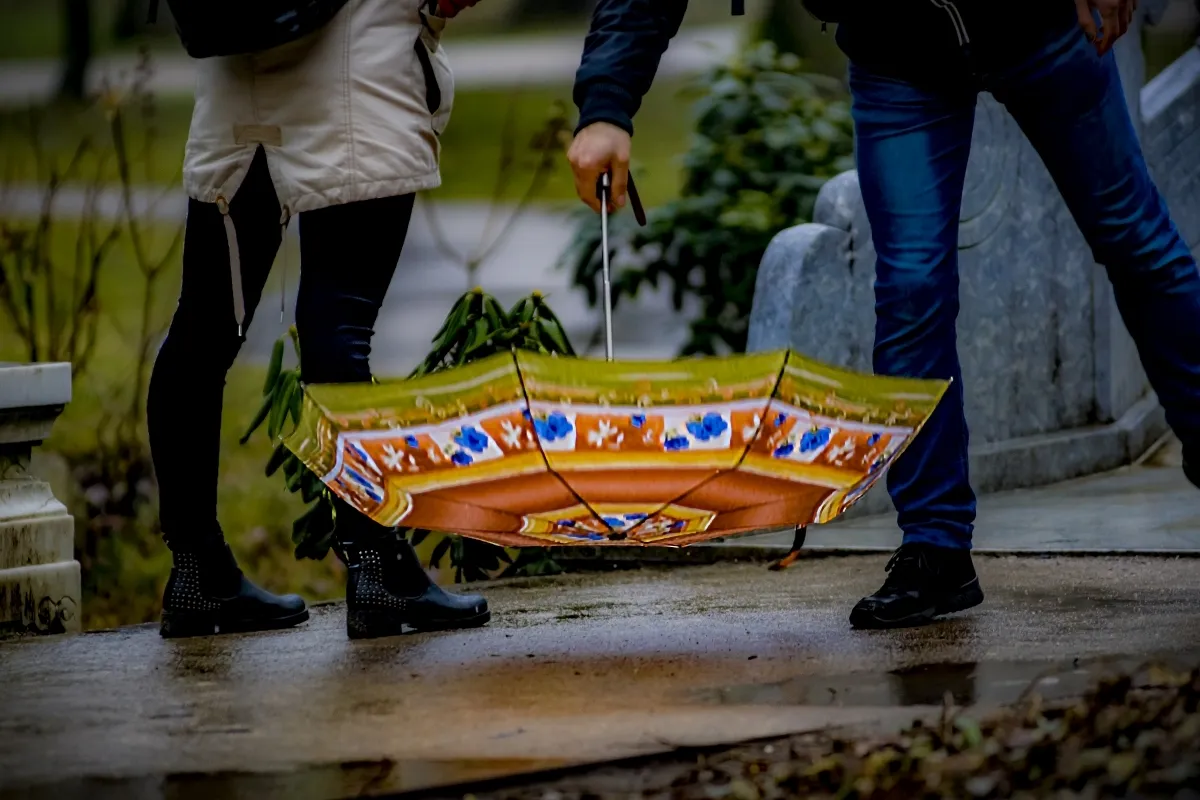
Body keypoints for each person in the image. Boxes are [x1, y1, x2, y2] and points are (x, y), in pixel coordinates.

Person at [567, 0, 1200, 629]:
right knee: (910, 290)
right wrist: (605, 108)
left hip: (1040, 29)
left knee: (1136, 241)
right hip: (899, 55)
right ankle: (935, 549)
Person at [149, 0, 491, 640]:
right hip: (358, 67)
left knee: (201, 331)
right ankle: (377, 571)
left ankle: (197, 574)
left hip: (238, 71)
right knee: (338, 324)